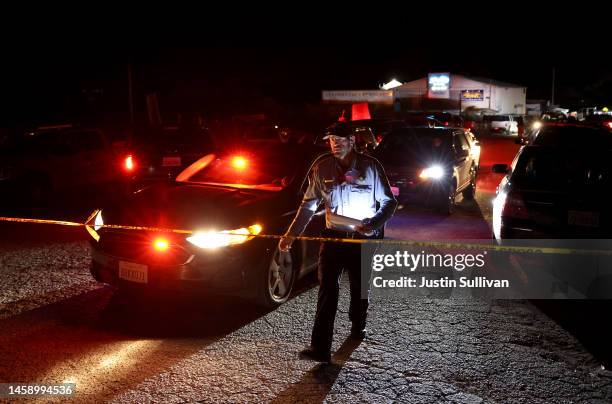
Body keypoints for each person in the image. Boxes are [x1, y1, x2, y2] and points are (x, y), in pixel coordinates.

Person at [279, 121, 397, 363]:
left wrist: (373, 224)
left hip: (362, 240)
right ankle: (320, 348)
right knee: (327, 291)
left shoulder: (371, 167)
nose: (335, 144)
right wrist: (291, 235)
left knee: (359, 287)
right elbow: (308, 206)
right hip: (333, 239)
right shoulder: (322, 169)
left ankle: (358, 326)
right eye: (331, 140)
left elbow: (389, 203)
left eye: (340, 140)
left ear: (352, 141)